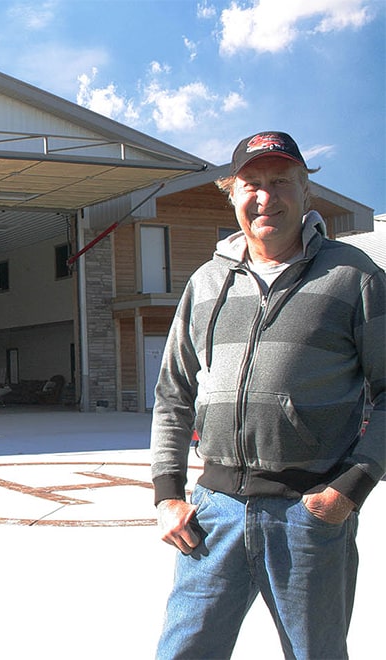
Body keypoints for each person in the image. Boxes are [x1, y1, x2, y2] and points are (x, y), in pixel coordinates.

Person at [150, 131, 385, 659]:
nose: (265, 195)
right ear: (231, 194)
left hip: (309, 515)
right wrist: (168, 493)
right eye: (251, 183)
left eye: (280, 181)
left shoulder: (354, 277)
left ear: (306, 192)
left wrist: (347, 490)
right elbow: (173, 392)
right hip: (213, 517)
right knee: (183, 652)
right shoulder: (207, 282)